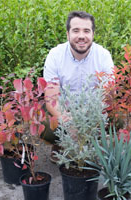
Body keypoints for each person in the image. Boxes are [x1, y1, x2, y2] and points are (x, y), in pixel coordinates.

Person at [42, 11, 114, 160]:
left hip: (93, 112)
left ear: (93, 34)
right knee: (45, 124)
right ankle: (62, 143)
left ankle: (93, 145)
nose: (81, 36)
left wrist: (87, 121)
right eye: (76, 30)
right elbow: (51, 99)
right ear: (68, 34)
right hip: (65, 112)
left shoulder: (103, 56)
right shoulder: (55, 55)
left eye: (86, 31)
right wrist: (69, 123)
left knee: (118, 118)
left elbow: (108, 96)